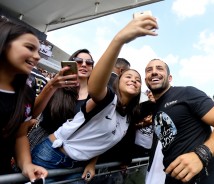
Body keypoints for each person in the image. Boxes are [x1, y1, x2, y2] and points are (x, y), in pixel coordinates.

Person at [30, 14, 158, 182]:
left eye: (138, 79)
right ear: (116, 81)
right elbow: (97, 88)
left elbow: (100, 140)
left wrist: (92, 162)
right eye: (128, 76)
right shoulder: (106, 99)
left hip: (78, 166)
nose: (134, 80)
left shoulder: (126, 116)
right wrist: (119, 40)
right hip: (51, 155)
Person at [144, 59, 214, 184]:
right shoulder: (155, 109)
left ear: (170, 78)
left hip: (204, 179)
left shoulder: (187, 93)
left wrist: (200, 156)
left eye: (159, 68)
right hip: (173, 178)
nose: (154, 72)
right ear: (146, 80)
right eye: (149, 70)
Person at [0, 15, 47, 180]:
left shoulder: (27, 91)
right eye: (29, 47)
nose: (37, 57)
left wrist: (26, 164)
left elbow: (20, 135)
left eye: (38, 51)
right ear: (4, 44)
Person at [28, 49, 93, 151]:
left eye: (89, 62)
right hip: (39, 141)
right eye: (79, 61)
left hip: (68, 151)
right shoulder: (56, 86)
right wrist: (51, 86)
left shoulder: (94, 96)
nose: (84, 64)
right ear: (70, 63)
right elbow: (32, 113)